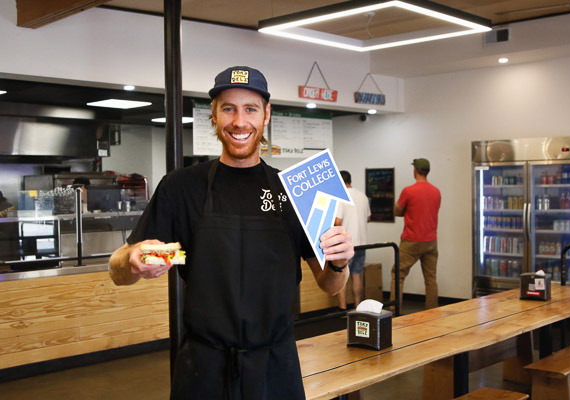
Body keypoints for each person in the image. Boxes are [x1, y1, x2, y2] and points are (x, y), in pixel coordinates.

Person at [108, 66, 353, 400]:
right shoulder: (182, 187)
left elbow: (329, 284)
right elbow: (118, 270)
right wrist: (133, 260)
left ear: (266, 114)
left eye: (250, 109)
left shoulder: (294, 192)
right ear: (214, 114)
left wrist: (339, 262)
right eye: (229, 108)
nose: (240, 122)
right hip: (203, 368)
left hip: (275, 365)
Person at [392, 158, 441, 312]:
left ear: (415, 171)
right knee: (431, 278)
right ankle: (432, 312)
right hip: (431, 240)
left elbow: (397, 211)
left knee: (398, 274)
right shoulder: (436, 191)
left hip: (411, 240)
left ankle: (395, 311)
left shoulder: (408, 191)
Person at [334, 170, 371, 311]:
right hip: (362, 243)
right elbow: (368, 217)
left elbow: (338, 221)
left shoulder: (341, 197)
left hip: (346, 245)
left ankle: (342, 307)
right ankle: (357, 305)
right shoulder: (362, 195)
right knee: (356, 275)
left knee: (341, 277)